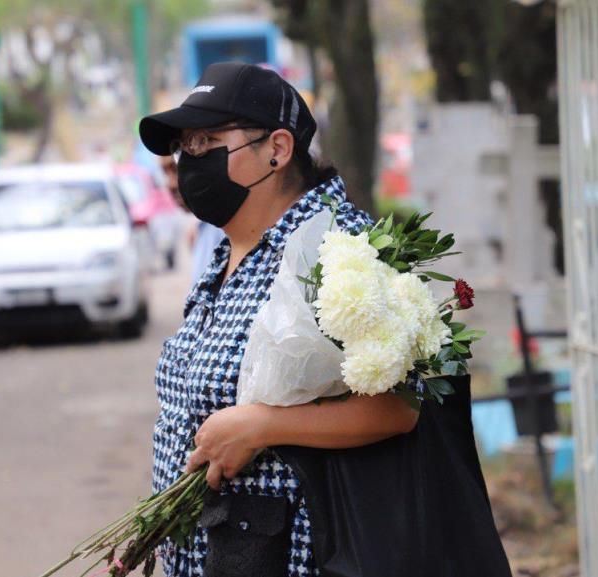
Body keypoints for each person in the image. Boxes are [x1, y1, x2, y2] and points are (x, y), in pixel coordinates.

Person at [139, 62, 421, 577]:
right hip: (210, 554)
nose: (189, 160)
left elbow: (399, 408)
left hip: (292, 555)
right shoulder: (228, 252)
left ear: (278, 148)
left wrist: (264, 425)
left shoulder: (338, 252)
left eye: (207, 141)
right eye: (185, 145)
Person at [158, 153, 226, 287]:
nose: (171, 184)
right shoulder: (202, 229)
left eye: (176, 169)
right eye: (165, 173)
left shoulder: (228, 229)